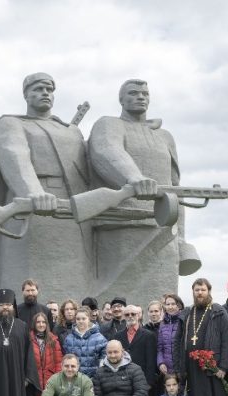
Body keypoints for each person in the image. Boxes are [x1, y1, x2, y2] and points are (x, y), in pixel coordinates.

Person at [0, 73, 92, 300]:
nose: (45, 94)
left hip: (70, 208)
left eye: (49, 90)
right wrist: (34, 192)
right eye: (38, 89)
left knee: (73, 283)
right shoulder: (11, 123)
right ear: (26, 95)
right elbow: (15, 156)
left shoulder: (70, 130)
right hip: (29, 206)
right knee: (21, 284)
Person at [86, 79, 199, 300]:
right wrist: (134, 178)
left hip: (163, 228)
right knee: (113, 298)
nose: (140, 97)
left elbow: (176, 189)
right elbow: (107, 151)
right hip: (121, 225)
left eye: (145, 94)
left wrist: (181, 238)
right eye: (133, 93)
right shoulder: (109, 124)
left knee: (162, 298)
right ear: (121, 99)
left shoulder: (164, 136)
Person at [174, 278, 228, 396]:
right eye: (197, 290)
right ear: (193, 292)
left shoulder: (218, 311)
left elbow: (226, 341)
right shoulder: (187, 313)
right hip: (191, 368)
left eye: (203, 290)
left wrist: (222, 367)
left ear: (209, 291)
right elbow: (178, 342)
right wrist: (180, 367)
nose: (200, 293)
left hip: (211, 367)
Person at [28, 311, 62, 396]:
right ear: (34, 324)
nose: (41, 324)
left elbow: (58, 362)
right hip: (34, 381)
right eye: (38, 322)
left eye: (43, 322)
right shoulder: (28, 339)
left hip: (50, 381)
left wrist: (57, 380)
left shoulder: (53, 339)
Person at [116, 304, 159, 396]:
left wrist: (149, 383)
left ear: (138, 315)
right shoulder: (117, 336)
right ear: (123, 317)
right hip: (123, 382)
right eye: (127, 314)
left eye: (133, 314)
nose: (130, 316)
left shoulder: (149, 335)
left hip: (143, 382)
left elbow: (151, 361)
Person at [63, 307, 107, 378]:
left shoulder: (100, 338)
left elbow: (104, 359)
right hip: (74, 378)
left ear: (89, 319)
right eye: (78, 319)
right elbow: (66, 359)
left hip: (94, 379)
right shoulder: (69, 339)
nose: (80, 321)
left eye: (83, 318)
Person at [158, 294, 184, 378]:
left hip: (182, 369)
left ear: (179, 305)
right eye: (168, 304)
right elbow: (160, 348)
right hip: (167, 370)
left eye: (173, 304)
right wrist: (160, 363)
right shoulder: (162, 324)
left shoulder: (184, 321)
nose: (170, 307)